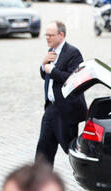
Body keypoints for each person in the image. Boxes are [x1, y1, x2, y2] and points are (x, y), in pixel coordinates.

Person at [37, 21, 87, 167]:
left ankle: (89, 176)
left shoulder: (73, 53)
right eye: (46, 35)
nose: (47, 38)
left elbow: (73, 80)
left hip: (65, 111)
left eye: (51, 35)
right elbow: (44, 74)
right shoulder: (50, 51)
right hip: (50, 109)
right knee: (43, 150)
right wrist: (43, 64)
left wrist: (51, 70)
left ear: (61, 35)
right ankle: (40, 185)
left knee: (70, 150)